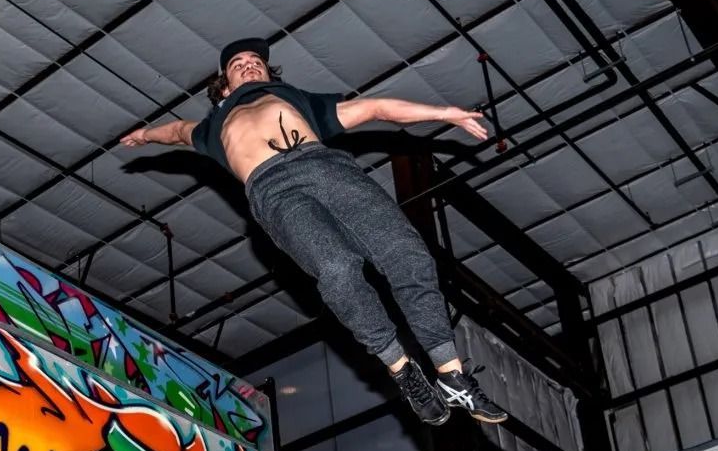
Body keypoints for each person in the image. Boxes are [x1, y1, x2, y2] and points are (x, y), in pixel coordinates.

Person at [120, 38, 507, 426]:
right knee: (336, 269)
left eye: (257, 61)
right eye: (239, 64)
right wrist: (145, 135)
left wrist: (444, 114)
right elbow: (173, 132)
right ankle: (400, 367)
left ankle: (451, 374)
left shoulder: (299, 100)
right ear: (222, 85)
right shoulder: (209, 129)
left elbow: (376, 108)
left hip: (327, 168)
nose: (250, 65)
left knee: (406, 252)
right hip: (273, 190)